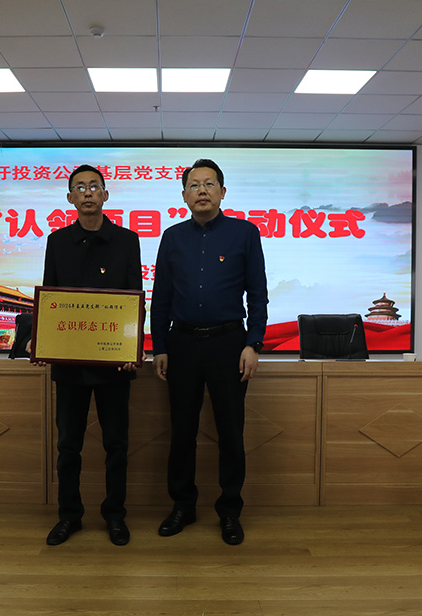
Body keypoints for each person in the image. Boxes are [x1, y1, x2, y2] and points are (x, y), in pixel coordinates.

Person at [150, 158, 268, 545]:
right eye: (194, 185)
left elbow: (258, 295)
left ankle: (229, 511)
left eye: (209, 184)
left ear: (222, 192)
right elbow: (161, 297)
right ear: (184, 195)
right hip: (182, 344)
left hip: (229, 344)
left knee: (231, 431)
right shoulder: (172, 237)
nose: (202, 190)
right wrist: (160, 345)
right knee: (182, 432)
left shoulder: (245, 233)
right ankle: (182, 506)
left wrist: (253, 343)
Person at [31, 164, 142, 546]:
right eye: (80, 187)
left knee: (116, 446)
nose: (88, 192)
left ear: (105, 195)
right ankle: (70, 516)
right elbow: (50, 297)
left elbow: (135, 298)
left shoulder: (127, 240)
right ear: (70, 198)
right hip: (70, 365)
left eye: (94, 186)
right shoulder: (58, 241)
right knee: (68, 446)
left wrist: (132, 348)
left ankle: (115, 516)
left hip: (114, 364)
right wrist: (42, 342)